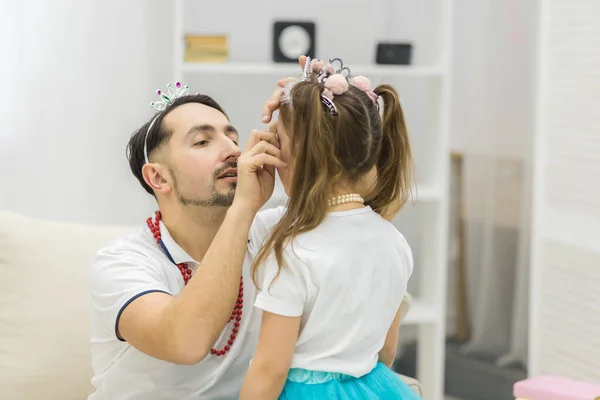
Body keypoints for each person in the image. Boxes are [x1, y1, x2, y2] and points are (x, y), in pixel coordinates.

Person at [87, 78, 290, 399]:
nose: (234, 151)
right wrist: (243, 208)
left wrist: (306, 107)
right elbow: (187, 342)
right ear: (158, 177)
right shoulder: (121, 263)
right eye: (202, 142)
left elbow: (364, 201)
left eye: (231, 136)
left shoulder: (272, 234)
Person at [238, 58, 420, 399]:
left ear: (302, 156)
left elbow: (269, 368)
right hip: (374, 385)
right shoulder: (394, 241)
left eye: (277, 141)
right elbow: (387, 350)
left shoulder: (292, 249)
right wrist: (305, 100)